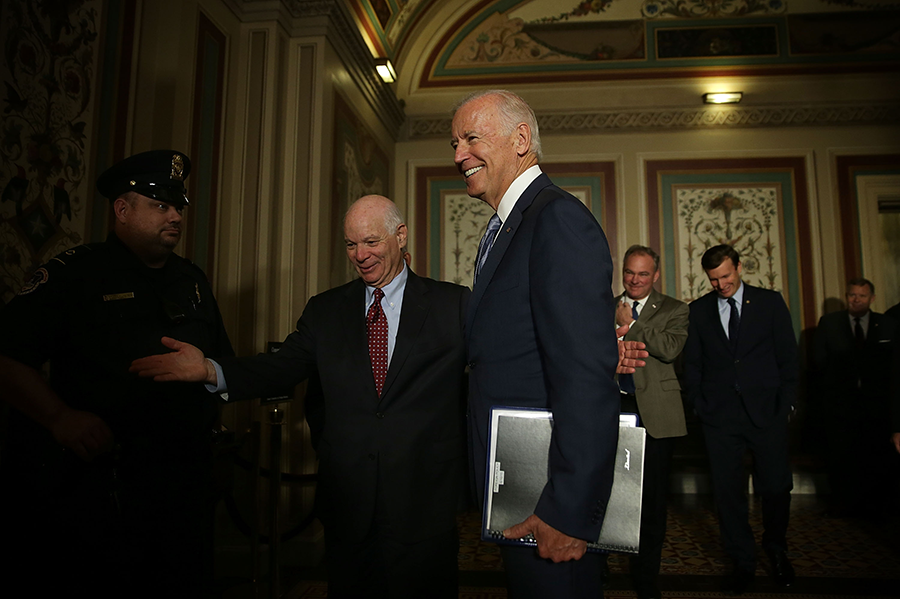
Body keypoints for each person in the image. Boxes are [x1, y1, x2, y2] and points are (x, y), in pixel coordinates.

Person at [131, 195, 470, 599]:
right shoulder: (326, 311)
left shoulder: (453, 305)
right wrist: (210, 370)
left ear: (401, 236)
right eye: (350, 244)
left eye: (371, 242)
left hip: (425, 499)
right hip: (348, 502)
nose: (360, 255)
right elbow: (281, 367)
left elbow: (488, 379)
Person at [0, 150, 234, 598]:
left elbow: (222, 362)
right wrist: (58, 418)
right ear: (122, 210)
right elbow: (8, 357)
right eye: (160, 205)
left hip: (182, 486)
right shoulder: (76, 274)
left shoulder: (192, 280)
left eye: (178, 206)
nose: (176, 216)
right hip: (102, 487)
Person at [451, 89, 620, 599]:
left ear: (521, 139)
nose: (458, 155)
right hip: (517, 488)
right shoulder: (509, 226)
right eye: (454, 142)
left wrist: (567, 510)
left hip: (548, 500)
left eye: (471, 138)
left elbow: (585, 378)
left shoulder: (555, 220)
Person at [683, 244, 798, 595]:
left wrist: (788, 406)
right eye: (714, 279)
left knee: (777, 487)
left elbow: (788, 358)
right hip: (720, 418)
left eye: (727, 276)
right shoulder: (699, 311)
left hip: (767, 413)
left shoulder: (769, 302)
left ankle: (776, 550)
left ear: (739, 267)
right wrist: (699, 406)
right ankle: (742, 561)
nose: (721, 285)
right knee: (728, 493)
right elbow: (693, 365)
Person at [613, 245, 689, 599]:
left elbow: (671, 348)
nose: (635, 280)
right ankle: (598, 566)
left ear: (655, 275)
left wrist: (632, 325)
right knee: (609, 495)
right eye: (630, 272)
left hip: (656, 416)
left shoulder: (675, 309)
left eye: (643, 274)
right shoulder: (605, 305)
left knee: (652, 503)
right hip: (612, 411)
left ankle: (645, 577)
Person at [811, 278, 898, 517]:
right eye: (852, 295)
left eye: (861, 296)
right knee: (842, 458)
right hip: (840, 407)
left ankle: (876, 508)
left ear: (872, 298)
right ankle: (843, 506)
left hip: (877, 407)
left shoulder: (888, 325)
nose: (856, 300)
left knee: (875, 459)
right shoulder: (830, 323)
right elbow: (819, 363)